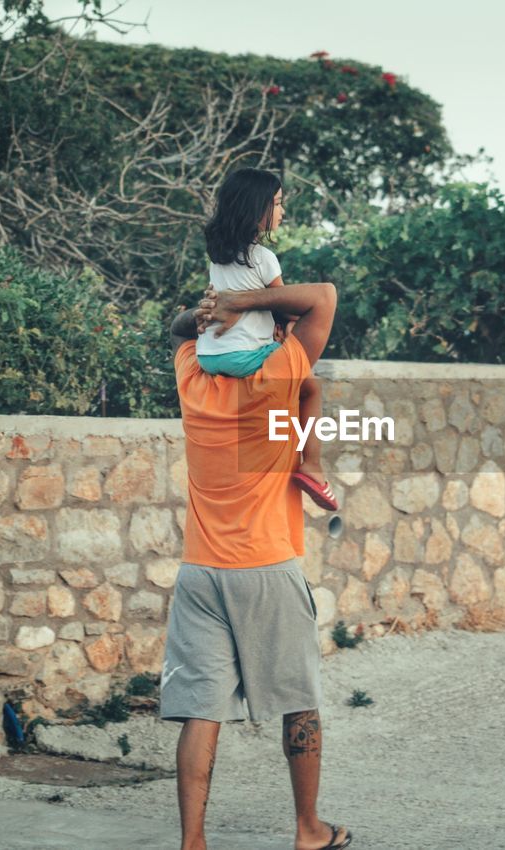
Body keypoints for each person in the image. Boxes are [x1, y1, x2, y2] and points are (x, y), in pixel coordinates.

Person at [163, 280, 351, 850]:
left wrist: (213, 311)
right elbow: (323, 296)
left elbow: (181, 329)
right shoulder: (283, 372)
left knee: (202, 711)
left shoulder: (191, 373)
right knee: (299, 699)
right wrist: (254, 306)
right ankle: (308, 828)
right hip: (268, 566)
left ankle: (192, 841)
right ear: (271, 334)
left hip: (200, 572)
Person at [198, 167, 337, 510]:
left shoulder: (217, 255)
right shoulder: (263, 258)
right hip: (244, 357)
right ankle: (313, 466)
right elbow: (288, 308)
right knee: (311, 388)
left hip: (210, 354)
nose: (282, 211)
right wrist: (286, 326)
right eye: (277, 203)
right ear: (257, 208)